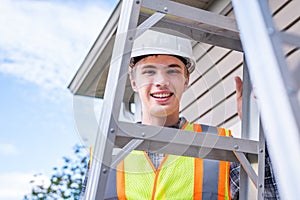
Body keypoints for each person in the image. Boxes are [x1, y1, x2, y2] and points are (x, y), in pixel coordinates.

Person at [82, 29, 279, 199]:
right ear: (134, 82)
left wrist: (258, 125)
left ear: (186, 80)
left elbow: (271, 194)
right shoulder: (106, 152)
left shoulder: (219, 145)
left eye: (173, 71)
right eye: (149, 72)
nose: (161, 81)